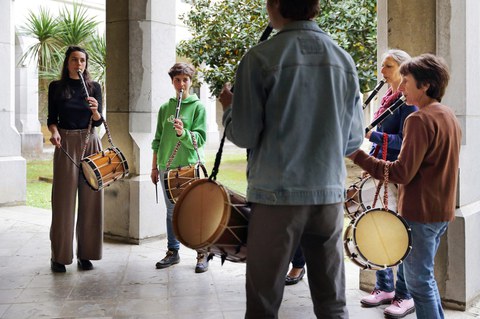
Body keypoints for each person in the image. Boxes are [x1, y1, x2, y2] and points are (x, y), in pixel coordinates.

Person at [218, 0, 364, 317]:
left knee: (263, 302)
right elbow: (352, 139)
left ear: (275, 6)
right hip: (328, 195)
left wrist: (229, 106)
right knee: (332, 302)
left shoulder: (259, 58)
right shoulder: (343, 59)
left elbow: (243, 134)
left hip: (276, 198)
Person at [349, 53, 462, 319]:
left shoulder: (418, 120)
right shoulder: (448, 115)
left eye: (406, 81)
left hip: (420, 214)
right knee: (424, 281)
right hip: (440, 213)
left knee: (419, 284)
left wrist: (357, 155)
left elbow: (400, 172)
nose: (400, 88)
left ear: (425, 85)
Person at [360, 49, 418, 319]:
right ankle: (384, 287)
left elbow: (405, 143)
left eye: (388, 66)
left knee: (399, 234)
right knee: (378, 229)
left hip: (396, 176)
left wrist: (375, 135)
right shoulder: (387, 98)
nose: (382, 71)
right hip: (380, 171)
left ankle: (404, 295)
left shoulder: (408, 104)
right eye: (382, 65)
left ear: (403, 69)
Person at [47, 46, 104, 273]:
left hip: (90, 142)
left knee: (92, 199)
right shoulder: (57, 87)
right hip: (66, 143)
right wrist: (54, 131)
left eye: (82, 60)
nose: (78, 64)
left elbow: (99, 122)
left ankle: (86, 254)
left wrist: (96, 111)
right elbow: (52, 118)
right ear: (67, 62)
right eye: (74, 60)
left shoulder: (94, 87)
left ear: (86, 64)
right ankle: (59, 256)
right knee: (63, 201)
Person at [150, 62, 209, 273]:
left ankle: (202, 252)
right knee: (171, 212)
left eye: (185, 79)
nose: (181, 83)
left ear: (191, 81)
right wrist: (155, 167)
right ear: (172, 82)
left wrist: (183, 133)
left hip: (188, 167)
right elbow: (157, 139)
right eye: (177, 80)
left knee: (194, 211)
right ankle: (172, 252)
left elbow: (200, 140)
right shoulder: (166, 108)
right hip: (167, 167)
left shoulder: (198, 107)